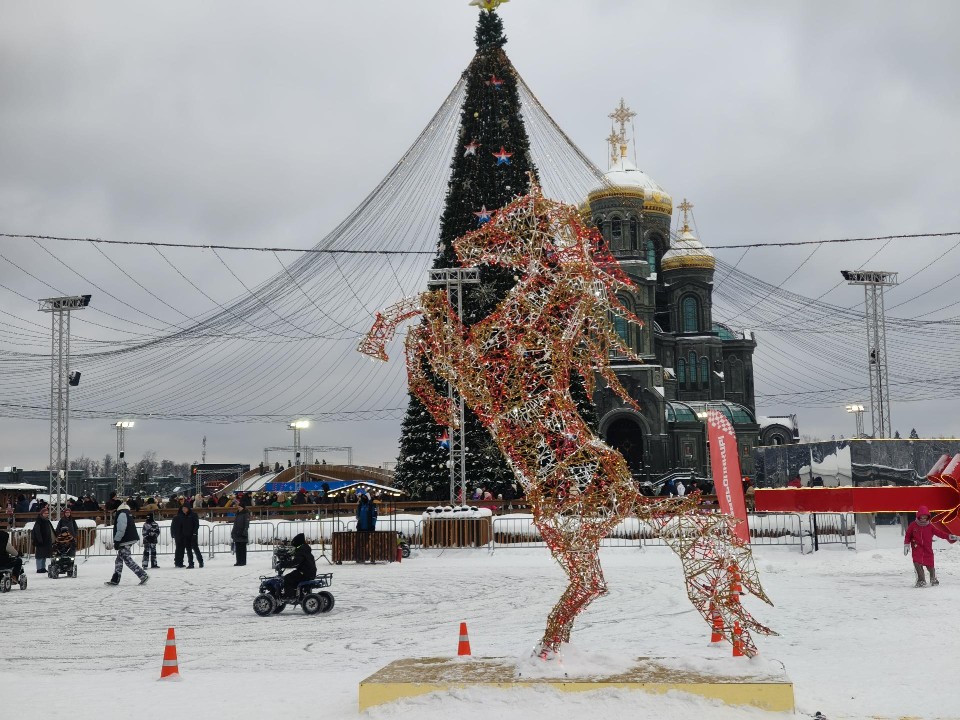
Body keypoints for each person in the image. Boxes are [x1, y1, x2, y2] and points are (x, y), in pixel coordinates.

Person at [904, 505, 957, 587]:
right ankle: (921, 580)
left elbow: (940, 533)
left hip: (927, 549)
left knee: (930, 565)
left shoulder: (930, 526)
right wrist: (906, 545)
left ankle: (933, 578)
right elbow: (908, 535)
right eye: (921, 517)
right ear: (918, 517)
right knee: (917, 563)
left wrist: (949, 536)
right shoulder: (913, 525)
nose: (923, 519)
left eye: (925, 517)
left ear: (927, 517)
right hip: (916, 548)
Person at [105, 500, 148, 585]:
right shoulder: (125, 511)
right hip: (128, 538)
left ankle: (142, 574)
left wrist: (117, 540)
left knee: (127, 559)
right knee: (119, 560)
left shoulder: (121, 514)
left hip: (126, 540)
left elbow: (121, 529)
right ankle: (115, 579)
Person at [279, 532, 316, 600]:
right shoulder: (306, 549)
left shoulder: (300, 551)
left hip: (304, 573)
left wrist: (283, 564)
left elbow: (295, 562)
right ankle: (299, 593)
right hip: (311, 572)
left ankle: (289, 596)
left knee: (287, 578)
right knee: (295, 576)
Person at [31, 505, 55, 573]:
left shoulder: (46, 521)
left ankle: (43, 567)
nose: (46, 514)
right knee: (40, 556)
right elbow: (37, 531)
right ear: (42, 514)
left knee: (44, 555)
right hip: (41, 541)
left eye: (47, 513)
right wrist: (39, 540)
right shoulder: (39, 521)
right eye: (45, 513)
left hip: (46, 540)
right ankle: (39, 568)